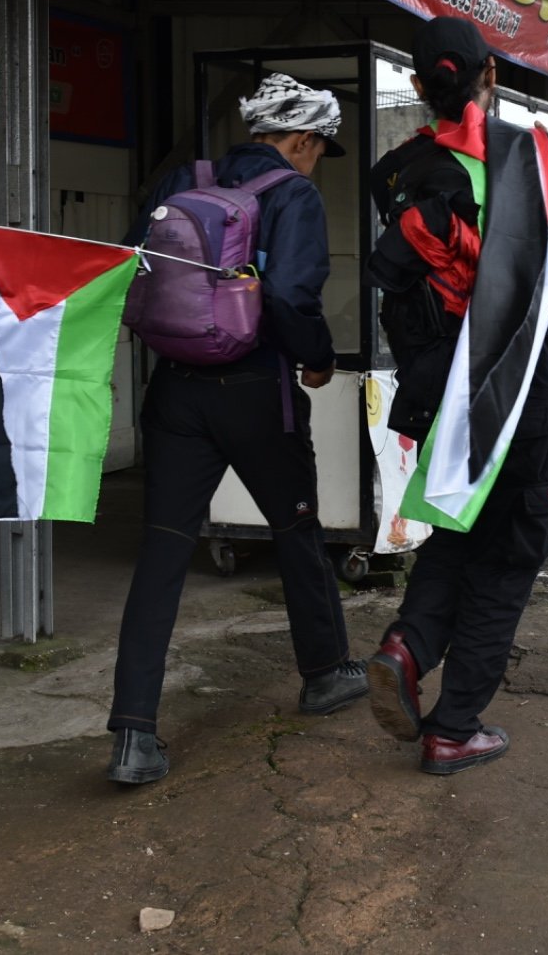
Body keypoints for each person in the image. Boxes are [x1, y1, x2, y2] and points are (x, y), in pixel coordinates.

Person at [364, 17, 548, 775]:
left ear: (418, 88)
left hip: (438, 389)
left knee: (458, 526)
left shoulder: (396, 170)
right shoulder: (533, 155)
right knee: (511, 550)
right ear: (492, 78)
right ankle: (454, 727)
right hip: (513, 390)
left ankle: (407, 648)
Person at [106, 73, 365, 785]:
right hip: (258, 392)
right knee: (296, 529)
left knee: (161, 555)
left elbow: (130, 271)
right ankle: (325, 674)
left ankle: (132, 736)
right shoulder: (293, 194)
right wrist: (315, 359)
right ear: (304, 141)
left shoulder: (180, 187)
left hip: (176, 395)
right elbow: (288, 292)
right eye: (318, 148)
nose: (315, 161)